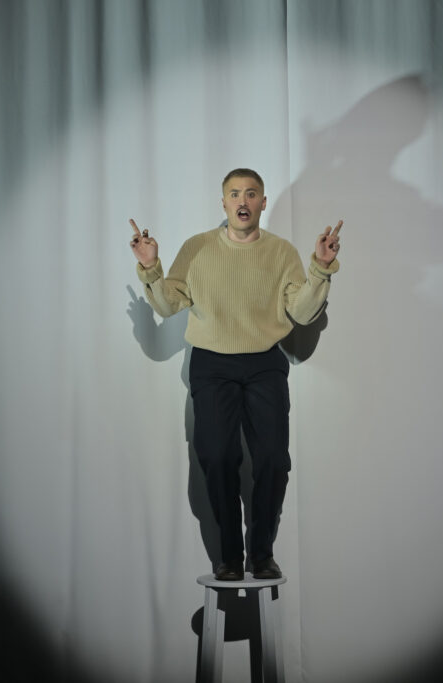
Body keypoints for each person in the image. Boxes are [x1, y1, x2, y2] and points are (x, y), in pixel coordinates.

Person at [129, 168, 342, 580]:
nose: (242, 201)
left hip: (264, 363)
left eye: (251, 193)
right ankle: (229, 555)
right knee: (217, 456)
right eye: (234, 194)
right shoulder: (197, 248)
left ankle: (261, 554)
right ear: (223, 203)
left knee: (274, 460)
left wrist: (320, 267)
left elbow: (301, 313)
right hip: (212, 364)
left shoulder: (281, 252)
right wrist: (151, 268)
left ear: (262, 202)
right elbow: (169, 306)